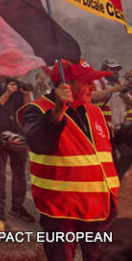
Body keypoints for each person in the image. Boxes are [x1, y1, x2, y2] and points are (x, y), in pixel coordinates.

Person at [18, 59, 119, 261]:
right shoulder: (36, 110)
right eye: (87, 82)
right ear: (67, 84)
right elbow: (39, 142)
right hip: (61, 213)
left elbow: (109, 157)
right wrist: (57, 111)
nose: (94, 87)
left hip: (100, 213)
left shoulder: (95, 111)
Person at [0, 76, 33, 222]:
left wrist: (27, 94)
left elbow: (28, 110)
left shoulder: (16, 84)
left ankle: (17, 206)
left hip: (17, 134)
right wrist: (7, 93)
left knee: (19, 173)